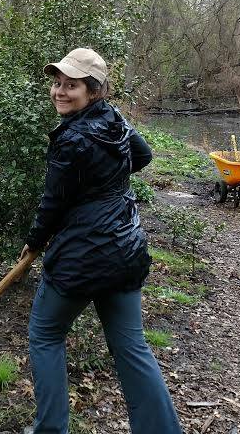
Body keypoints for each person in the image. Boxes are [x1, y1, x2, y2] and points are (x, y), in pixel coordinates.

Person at [18, 47, 183, 434]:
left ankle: (49, 430)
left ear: (92, 91)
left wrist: (34, 241)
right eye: (57, 83)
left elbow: (54, 202)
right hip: (126, 249)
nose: (60, 91)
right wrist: (106, 183)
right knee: (131, 346)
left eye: (71, 85)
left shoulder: (71, 138)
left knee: (45, 334)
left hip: (81, 258)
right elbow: (141, 155)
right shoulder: (114, 120)